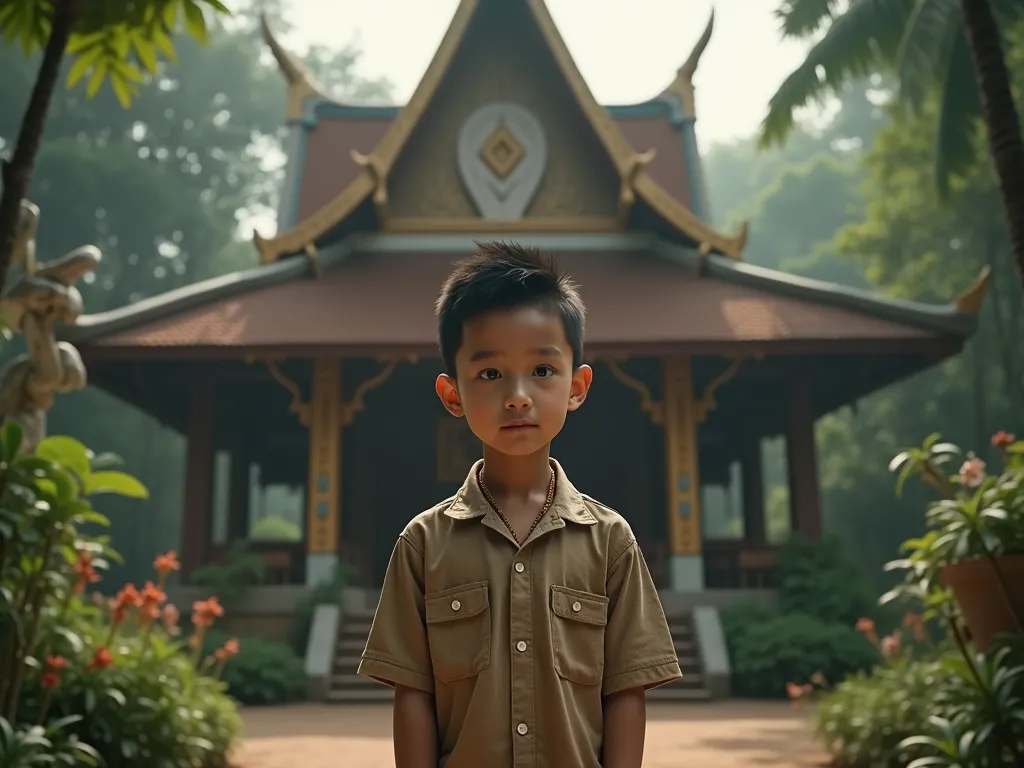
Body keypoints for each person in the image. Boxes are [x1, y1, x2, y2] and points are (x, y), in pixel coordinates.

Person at [357, 241, 681, 768]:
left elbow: (626, 692)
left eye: (543, 371)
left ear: (577, 386)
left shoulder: (609, 540)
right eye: (489, 374)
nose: (518, 395)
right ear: (452, 394)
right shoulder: (423, 543)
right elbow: (413, 693)